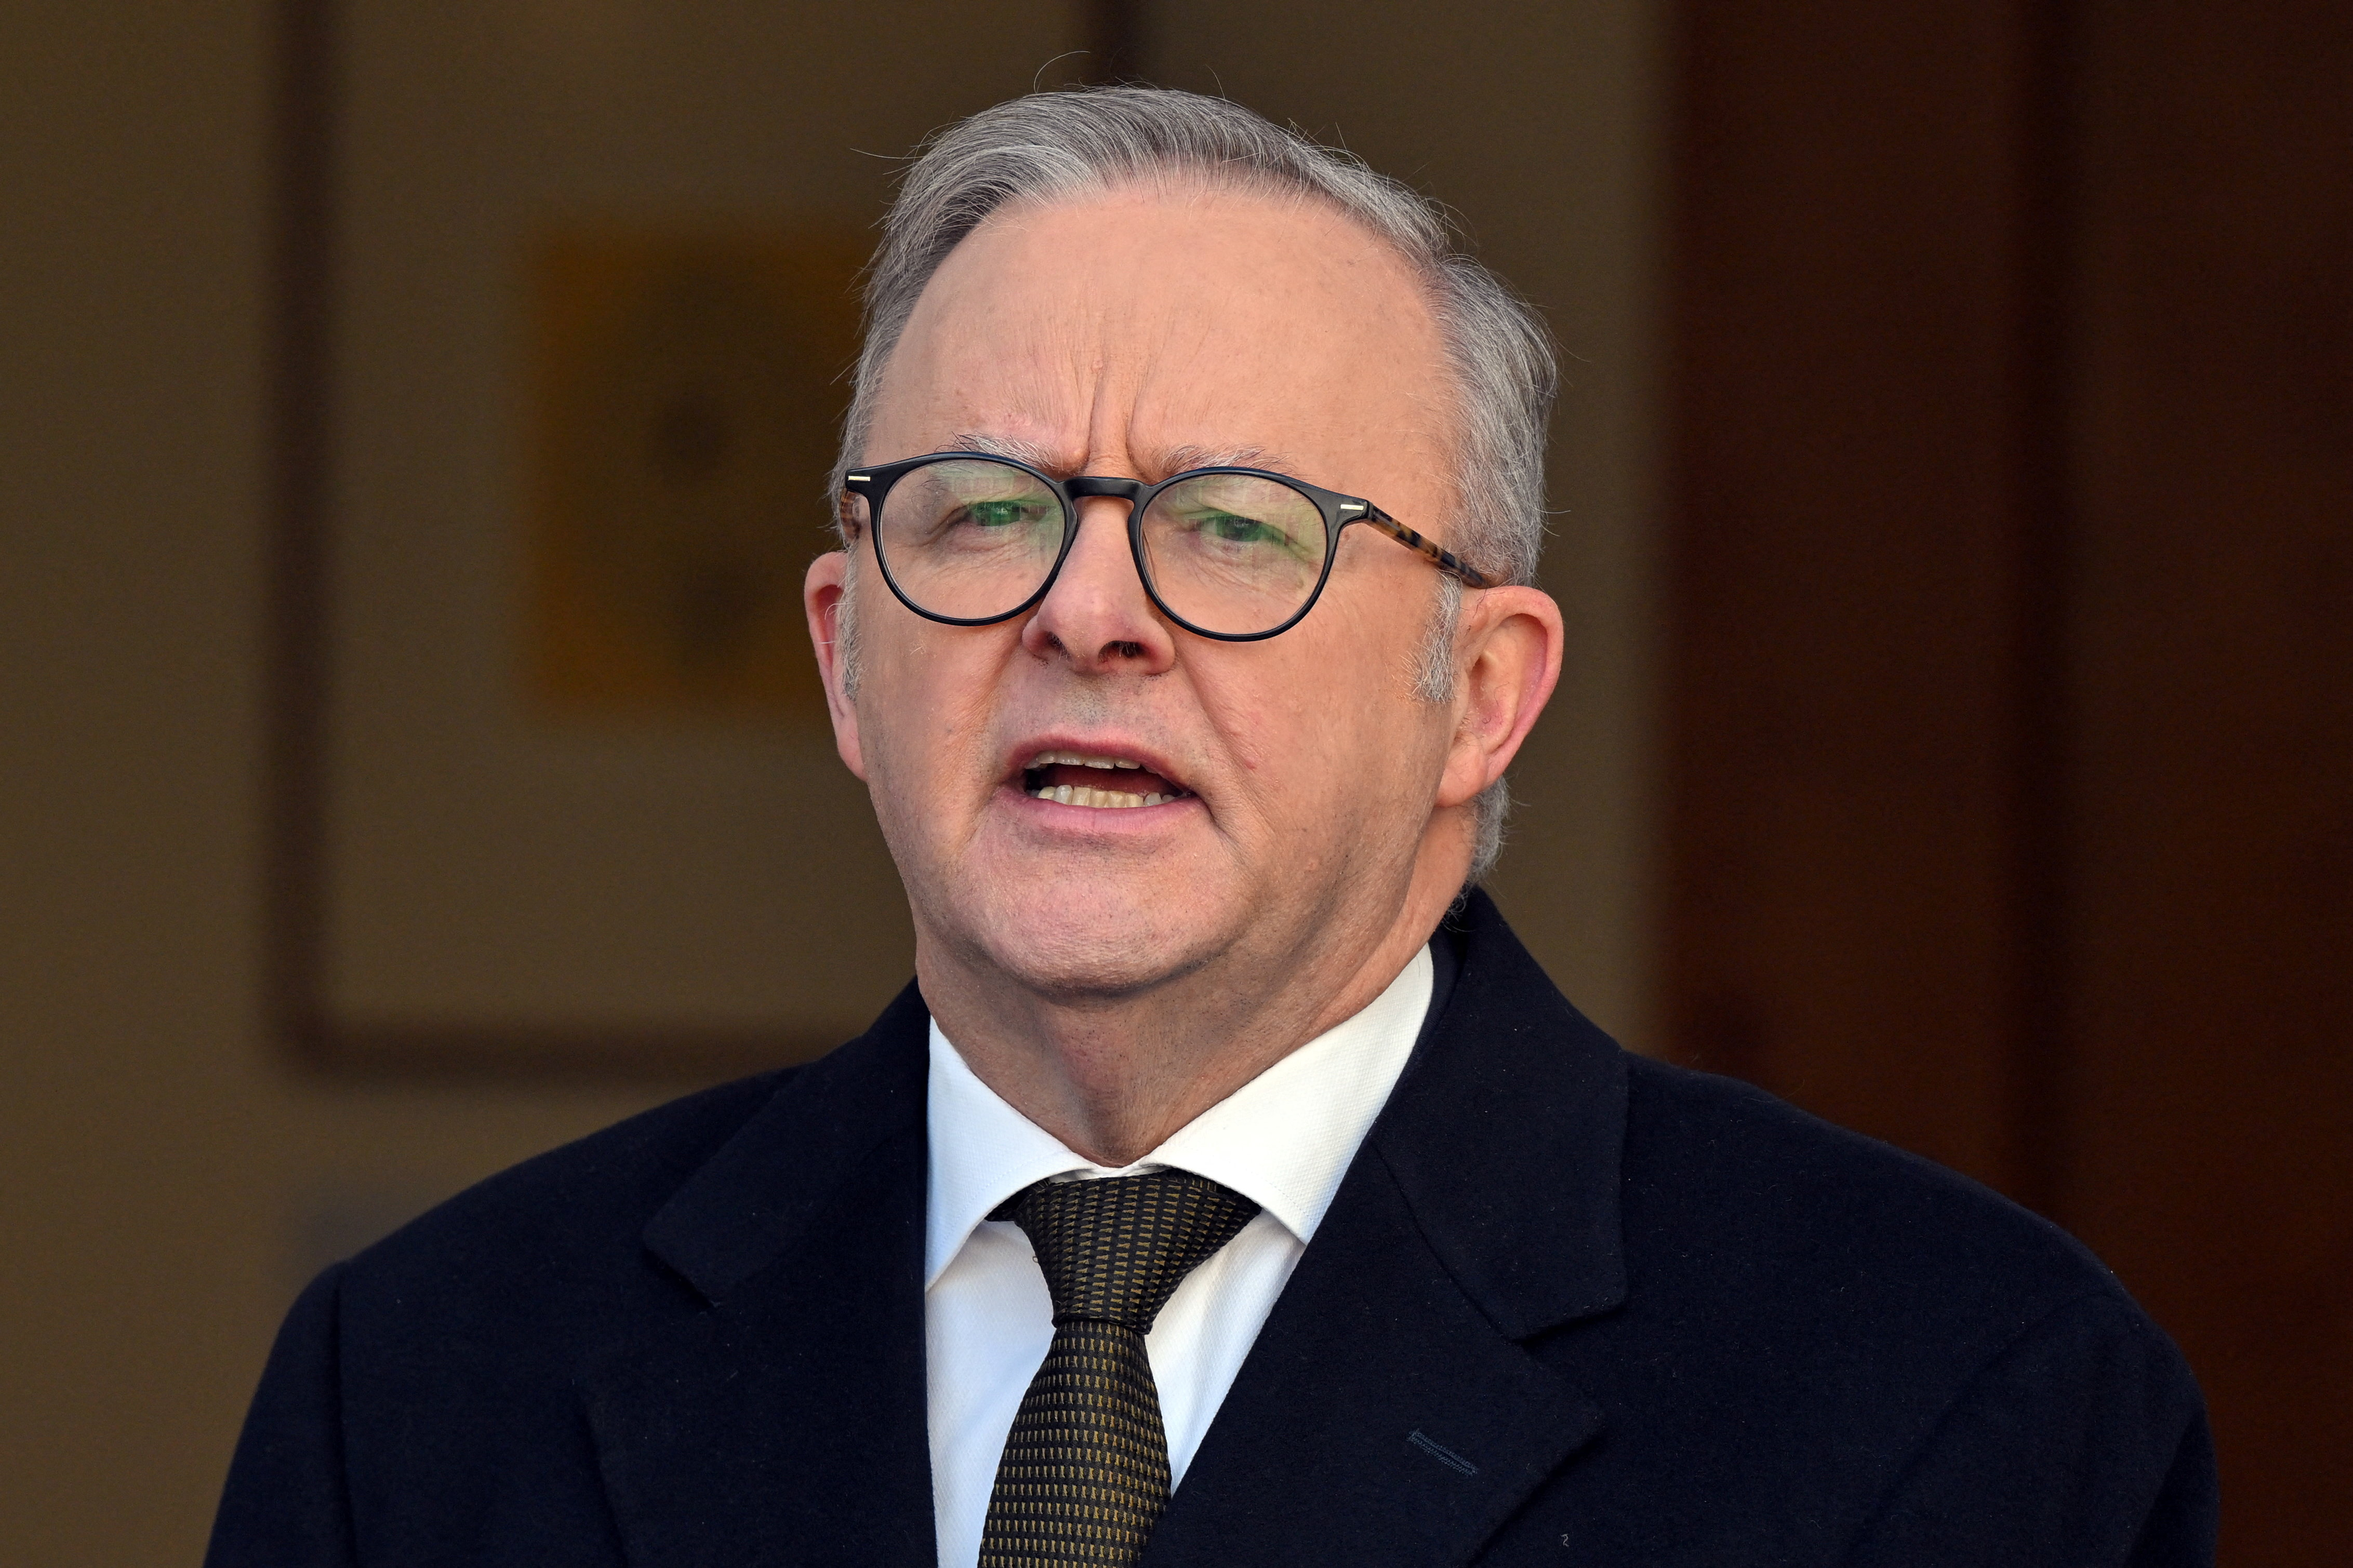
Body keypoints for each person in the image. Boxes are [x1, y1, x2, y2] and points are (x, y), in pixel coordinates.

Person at [207, 88, 2214, 1568]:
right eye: (985, 510)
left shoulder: (1961, 1399)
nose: (1085, 613)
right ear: (844, 657)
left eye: (1237, 526)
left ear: (1483, 690)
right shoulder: (421, 1387)